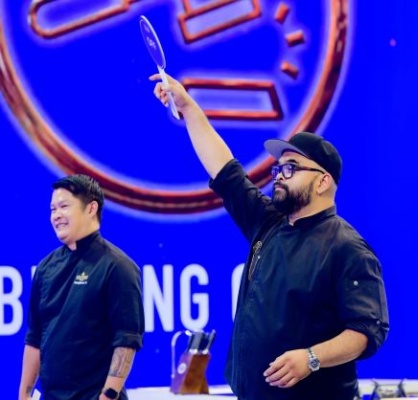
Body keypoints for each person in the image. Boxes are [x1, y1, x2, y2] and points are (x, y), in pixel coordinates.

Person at [150, 74, 389, 400]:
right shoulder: (269, 224)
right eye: (278, 168)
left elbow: (367, 330)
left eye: (291, 168)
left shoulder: (347, 248)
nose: (278, 176)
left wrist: (311, 358)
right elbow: (225, 171)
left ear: (322, 182)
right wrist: (189, 108)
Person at [18, 174, 145, 400]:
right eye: (52, 209)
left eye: (64, 206)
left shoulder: (118, 267)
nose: (56, 215)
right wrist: (24, 395)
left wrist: (108, 396)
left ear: (91, 208)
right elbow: (34, 339)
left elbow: (126, 341)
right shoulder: (45, 268)